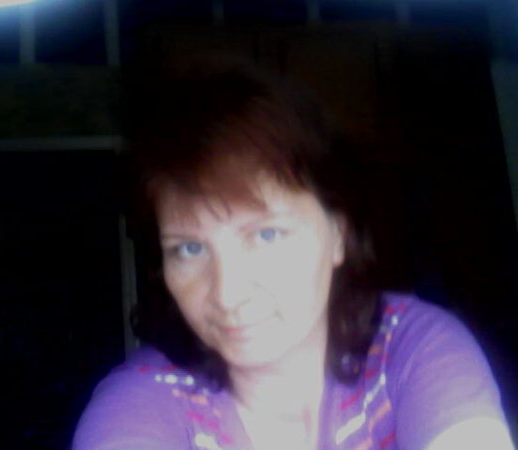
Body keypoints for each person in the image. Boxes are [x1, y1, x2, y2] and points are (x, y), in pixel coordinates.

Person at [72, 59, 514, 449]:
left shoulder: (410, 347)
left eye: (267, 235)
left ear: (338, 233)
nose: (227, 294)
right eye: (189, 249)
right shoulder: (142, 401)